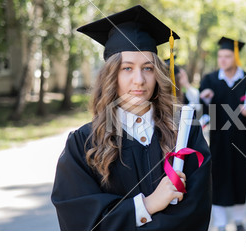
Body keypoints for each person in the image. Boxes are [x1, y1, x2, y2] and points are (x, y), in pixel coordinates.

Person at [51, 5, 212, 231]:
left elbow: (196, 212)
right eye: (127, 68)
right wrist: (146, 205)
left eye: (147, 68)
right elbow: (79, 222)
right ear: (111, 75)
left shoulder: (184, 134)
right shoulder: (84, 143)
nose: (139, 80)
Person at [199, 36, 246, 231]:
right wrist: (206, 100)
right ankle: (220, 223)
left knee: (239, 176)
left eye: (227, 56)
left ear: (236, 58)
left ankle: (239, 220)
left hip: (241, 139)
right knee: (217, 177)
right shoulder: (210, 80)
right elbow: (204, 113)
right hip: (218, 138)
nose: (223, 60)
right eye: (220, 56)